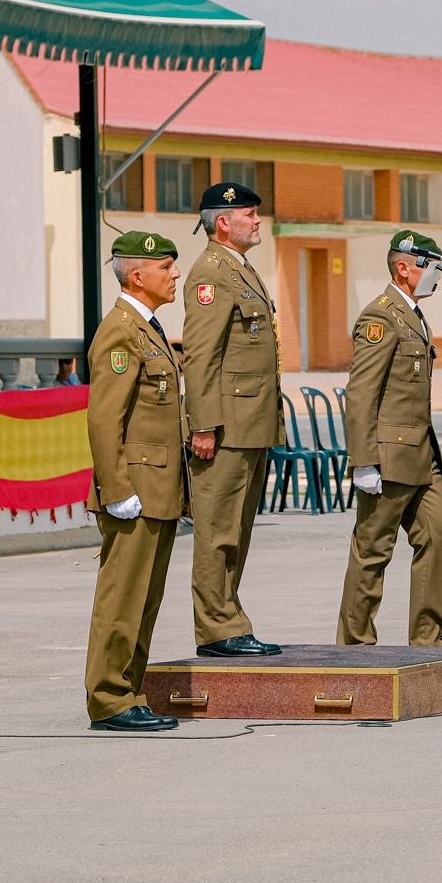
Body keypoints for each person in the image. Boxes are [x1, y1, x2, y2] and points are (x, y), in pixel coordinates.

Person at [83, 231, 187, 733]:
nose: (176, 274)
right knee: (121, 599)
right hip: (136, 489)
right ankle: (108, 698)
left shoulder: (147, 328)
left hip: (158, 488)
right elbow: (105, 418)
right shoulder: (120, 332)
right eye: (166, 267)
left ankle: (130, 691)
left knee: (144, 601)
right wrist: (117, 489)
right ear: (138, 275)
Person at [336, 230, 442, 647]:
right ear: (404, 268)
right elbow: (361, 392)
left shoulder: (414, 316)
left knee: (440, 536)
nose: (437, 276)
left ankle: (429, 641)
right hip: (389, 457)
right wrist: (363, 460)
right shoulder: (381, 317)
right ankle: (354, 646)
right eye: (431, 267)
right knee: (373, 550)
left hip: (423, 455)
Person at [182, 182, 284, 657]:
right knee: (218, 531)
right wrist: (203, 425)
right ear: (223, 222)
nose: (257, 220)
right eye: (249, 214)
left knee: (237, 530)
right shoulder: (211, 274)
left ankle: (228, 619)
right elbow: (202, 356)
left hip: (250, 423)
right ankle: (217, 628)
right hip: (225, 427)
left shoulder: (240, 269)